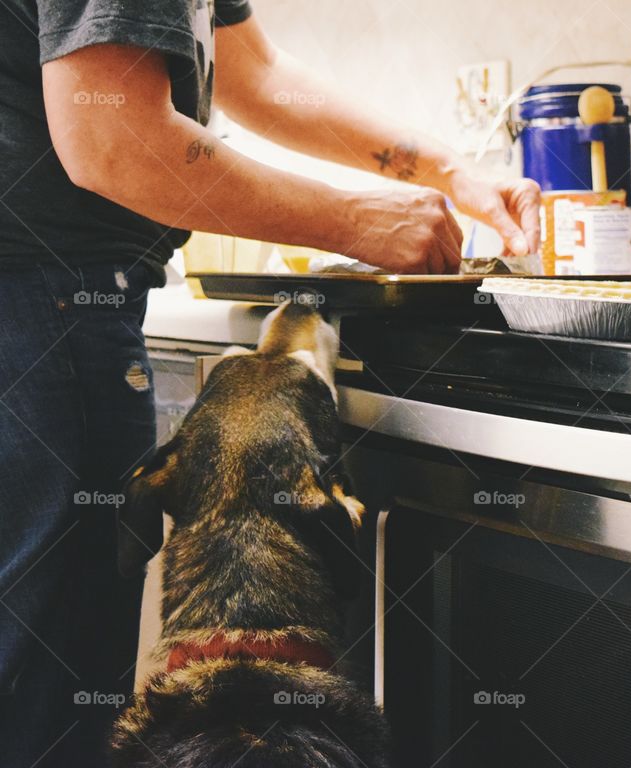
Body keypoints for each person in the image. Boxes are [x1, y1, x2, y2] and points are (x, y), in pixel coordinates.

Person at [0, 1, 541, 765]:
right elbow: (109, 138)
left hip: (52, 304)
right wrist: (355, 221)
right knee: (44, 706)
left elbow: (258, 75)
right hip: (35, 310)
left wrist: (454, 173)